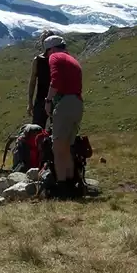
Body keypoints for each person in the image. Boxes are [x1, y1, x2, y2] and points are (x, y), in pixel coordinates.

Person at [43, 35, 84, 197]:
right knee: (67, 147)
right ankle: (71, 182)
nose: (47, 57)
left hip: (65, 104)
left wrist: (48, 100)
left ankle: (62, 187)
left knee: (58, 148)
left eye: (47, 53)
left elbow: (56, 80)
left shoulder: (55, 57)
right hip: (77, 103)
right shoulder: (71, 59)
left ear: (51, 49)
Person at [27, 29, 58, 128]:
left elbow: (32, 82)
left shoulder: (38, 60)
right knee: (56, 130)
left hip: (42, 100)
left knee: (37, 130)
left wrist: (30, 102)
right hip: (55, 99)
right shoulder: (57, 59)